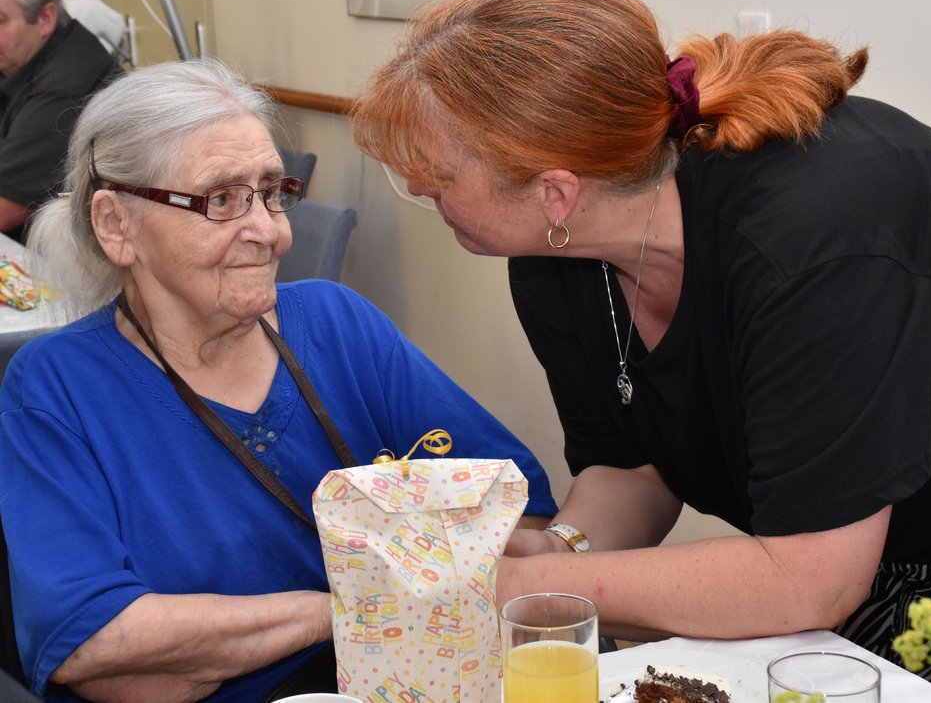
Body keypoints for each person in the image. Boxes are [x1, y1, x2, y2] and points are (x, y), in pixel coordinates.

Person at [348, 0, 931, 673]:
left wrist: (508, 587)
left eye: (437, 176)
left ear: (555, 192)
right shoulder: (557, 258)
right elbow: (632, 466)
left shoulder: (814, 238)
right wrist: (563, 547)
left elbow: (810, 579)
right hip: (855, 564)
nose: (416, 187)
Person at [0, 58, 556, 702]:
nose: (270, 231)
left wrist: (192, 648)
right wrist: (348, 607)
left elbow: (517, 512)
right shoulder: (59, 387)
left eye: (271, 193)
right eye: (222, 199)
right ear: (116, 225)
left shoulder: (335, 321)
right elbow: (93, 642)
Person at [0, 0, 121, 242]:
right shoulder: (15, 59)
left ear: (45, 19)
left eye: (0, 20)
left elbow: (7, 207)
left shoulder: (66, 80)